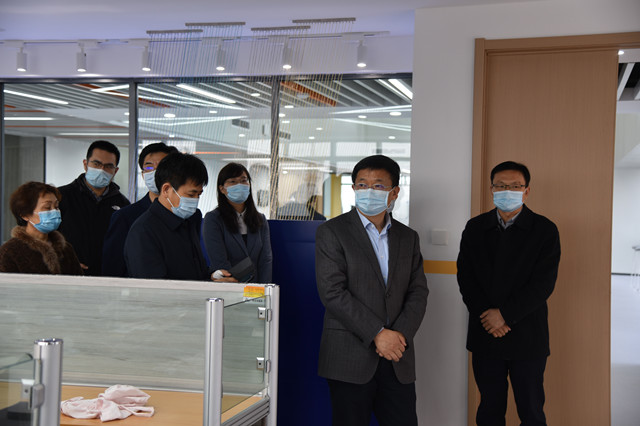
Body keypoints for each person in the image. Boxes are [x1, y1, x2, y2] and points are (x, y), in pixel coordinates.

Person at [315, 155, 429, 426]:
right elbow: (333, 292)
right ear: (353, 188)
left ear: (394, 192)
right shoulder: (332, 232)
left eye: (378, 185)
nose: (369, 191)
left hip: (397, 356)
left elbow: (418, 292)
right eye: (362, 184)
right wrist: (378, 334)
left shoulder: (408, 237)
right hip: (349, 357)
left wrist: (398, 336)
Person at [456, 161, 561, 426]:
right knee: (489, 409)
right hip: (485, 333)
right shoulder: (475, 227)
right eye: (501, 186)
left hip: (527, 334)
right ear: (491, 189)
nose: (507, 191)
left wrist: (504, 315)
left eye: (515, 186)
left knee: (531, 410)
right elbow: (466, 278)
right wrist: (488, 316)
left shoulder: (545, 230)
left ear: (526, 191)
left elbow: (543, 284)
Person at [124, 152, 211, 281]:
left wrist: (212, 277)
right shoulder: (143, 231)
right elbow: (153, 286)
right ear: (166, 190)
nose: (195, 200)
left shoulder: (188, 221)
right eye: (191, 195)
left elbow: (195, 271)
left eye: (199, 194)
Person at [102, 143, 178, 277]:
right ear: (143, 175)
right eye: (148, 167)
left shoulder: (187, 215)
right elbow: (113, 268)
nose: (154, 172)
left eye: (161, 166)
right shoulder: (125, 217)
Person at [58, 140, 130, 276]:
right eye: (96, 164)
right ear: (85, 164)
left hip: (109, 278)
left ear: (115, 171)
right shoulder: (61, 197)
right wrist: (62, 262)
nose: (102, 170)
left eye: (108, 166)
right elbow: (45, 237)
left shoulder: (123, 204)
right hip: (69, 275)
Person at [203, 163, 272, 283]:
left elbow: (265, 260)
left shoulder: (260, 219)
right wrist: (237, 287)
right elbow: (219, 261)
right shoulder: (213, 219)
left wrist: (264, 289)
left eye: (243, 180)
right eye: (233, 181)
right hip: (228, 286)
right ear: (222, 189)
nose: (239, 185)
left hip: (256, 288)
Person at [0, 182, 82, 275]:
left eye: (56, 207)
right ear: (25, 215)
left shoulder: (66, 249)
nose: (54, 212)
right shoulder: (10, 251)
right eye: (47, 207)